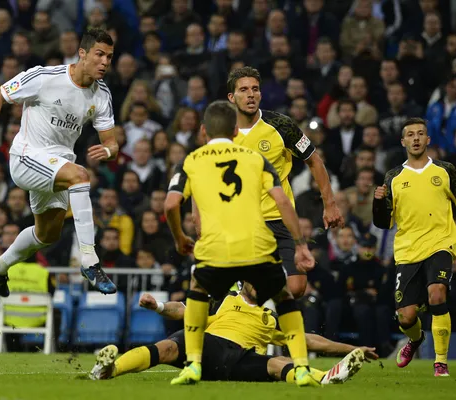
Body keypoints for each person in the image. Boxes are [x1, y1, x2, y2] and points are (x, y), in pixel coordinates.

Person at [164, 101, 317, 386]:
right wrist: (301, 245)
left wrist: (179, 238)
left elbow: (171, 204)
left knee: (198, 293)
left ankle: (194, 365)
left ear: (202, 131)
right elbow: (282, 201)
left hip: (216, 246)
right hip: (255, 244)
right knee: (283, 298)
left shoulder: (191, 161)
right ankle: (303, 368)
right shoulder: (255, 159)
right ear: (235, 131)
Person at [0, 28, 119, 297]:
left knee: (47, 235)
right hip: (26, 157)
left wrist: (109, 152)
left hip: (56, 167)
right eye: (99, 54)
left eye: (110, 57)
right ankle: (90, 261)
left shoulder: (102, 95)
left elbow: (112, 142)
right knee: (81, 176)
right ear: (82, 54)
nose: (105, 62)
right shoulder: (44, 76)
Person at [90, 284, 377, 383]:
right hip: (209, 346)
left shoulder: (271, 318)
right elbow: (186, 310)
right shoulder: (225, 300)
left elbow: (307, 339)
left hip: (239, 359)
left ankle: (328, 377)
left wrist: (350, 348)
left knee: (277, 365)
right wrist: (159, 306)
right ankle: (108, 370)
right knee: (169, 346)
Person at [225, 66, 344, 299]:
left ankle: (253, 301)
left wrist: (329, 204)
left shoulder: (281, 125)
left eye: (255, 89)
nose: (251, 95)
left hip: (282, 219)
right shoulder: (222, 131)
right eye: (244, 90)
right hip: (245, 222)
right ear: (232, 97)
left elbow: (315, 161)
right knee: (255, 288)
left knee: (298, 287)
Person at [373, 117, 455, 377]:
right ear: (403, 141)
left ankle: (440, 361)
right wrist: (378, 202)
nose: (416, 138)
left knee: (438, 294)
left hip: (440, 243)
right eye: (411, 134)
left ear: (428, 139)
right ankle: (416, 338)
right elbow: (383, 222)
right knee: (406, 317)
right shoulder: (394, 177)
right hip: (408, 250)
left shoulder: (446, 171)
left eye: (421, 134)